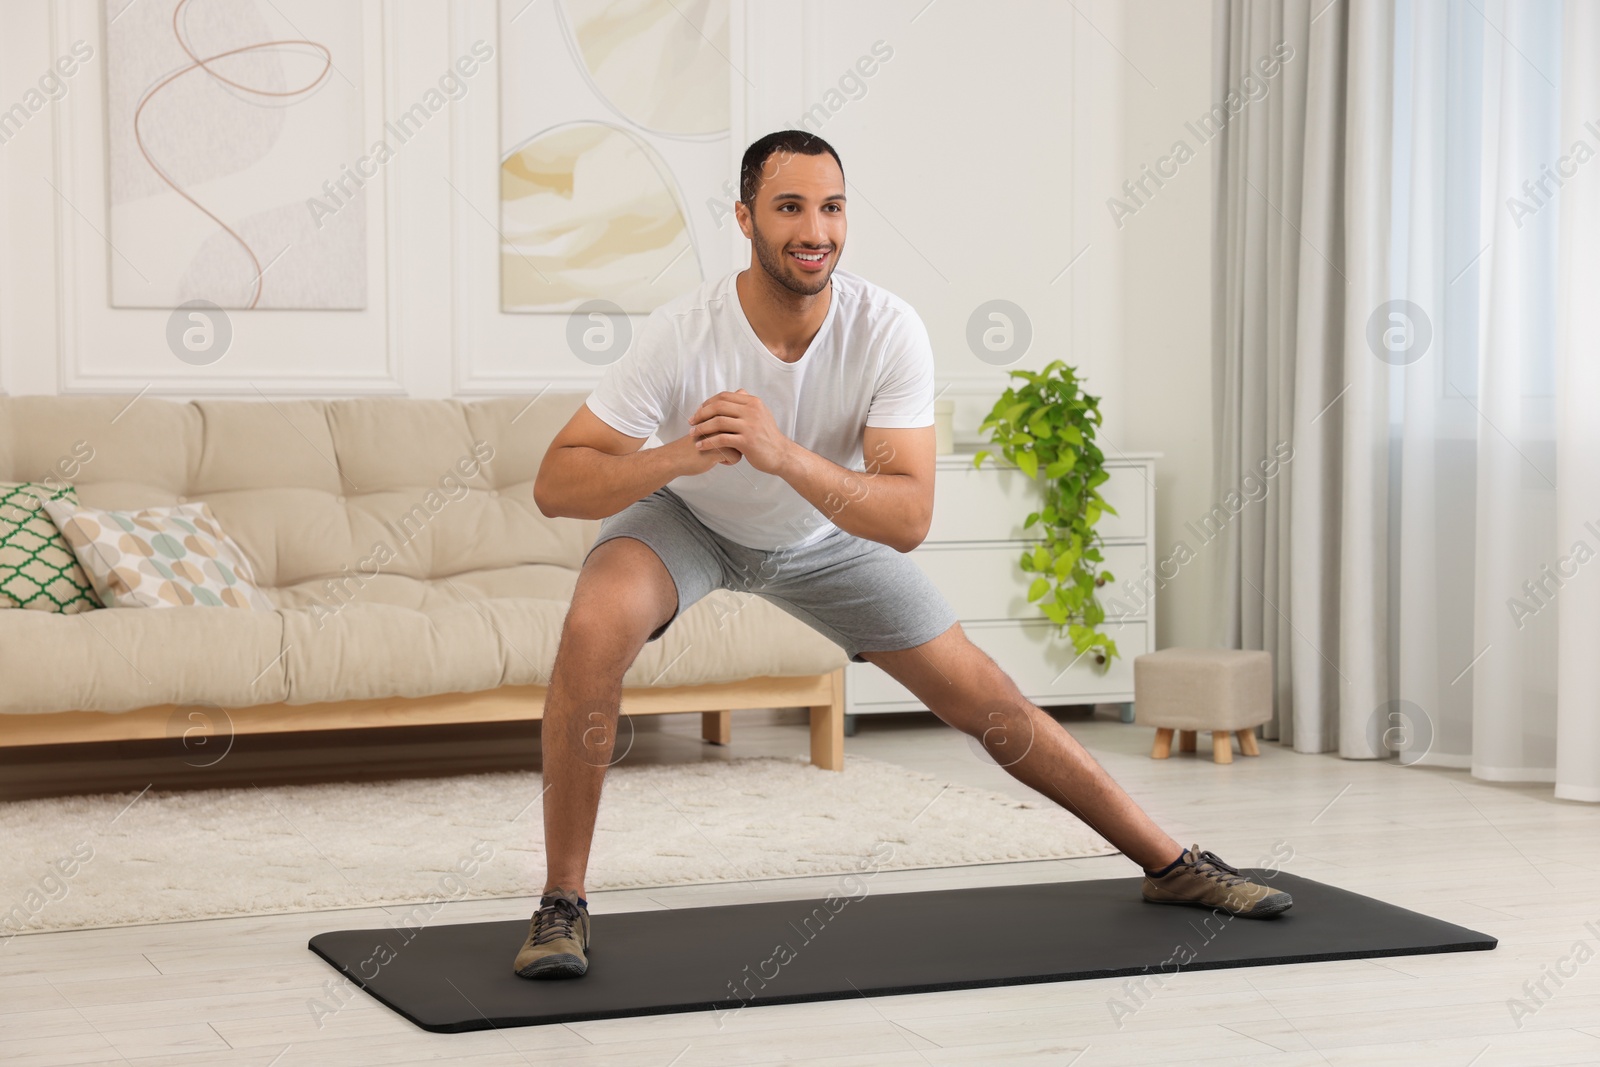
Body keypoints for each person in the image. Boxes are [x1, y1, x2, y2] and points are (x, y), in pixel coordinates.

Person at [514, 130, 1291, 979]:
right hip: (688, 520)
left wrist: (784, 456)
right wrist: (677, 456)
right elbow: (558, 482)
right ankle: (563, 903)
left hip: (821, 533)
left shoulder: (885, 328)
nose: (815, 229)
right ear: (744, 218)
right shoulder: (683, 333)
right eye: (789, 208)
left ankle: (1173, 865)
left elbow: (910, 514)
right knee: (594, 625)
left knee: (988, 697)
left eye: (832, 207)